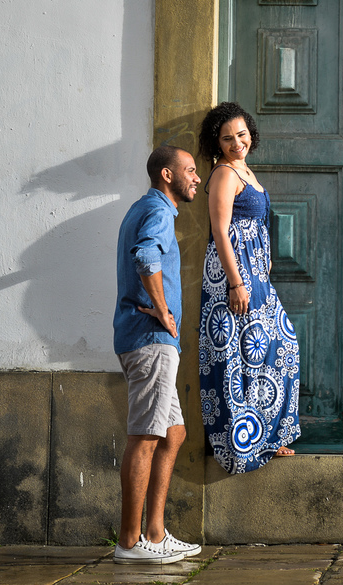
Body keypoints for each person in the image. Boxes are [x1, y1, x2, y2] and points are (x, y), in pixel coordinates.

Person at [111, 146, 203, 564]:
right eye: (190, 170)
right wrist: (164, 311)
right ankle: (129, 542)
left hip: (147, 340)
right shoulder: (158, 211)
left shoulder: (142, 208)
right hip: (150, 339)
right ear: (167, 174)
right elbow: (146, 256)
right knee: (145, 437)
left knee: (173, 433)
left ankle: (155, 533)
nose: (197, 178)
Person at [197, 101, 301, 473]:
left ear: (250, 134)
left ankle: (266, 436)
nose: (236, 142)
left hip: (255, 274)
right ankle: (242, 444)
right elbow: (220, 231)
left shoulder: (244, 169)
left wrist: (263, 261)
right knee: (239, 357)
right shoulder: (225, 174)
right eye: (227, 138)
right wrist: (236, 282)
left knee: (276, 347)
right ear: (217, 142)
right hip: (234, 275)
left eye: (241, 134)